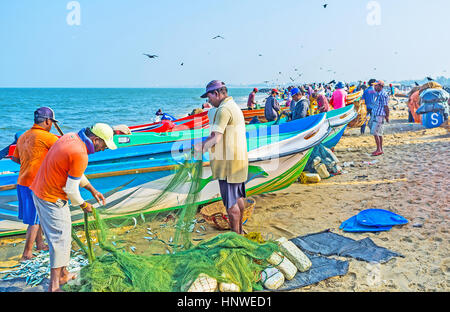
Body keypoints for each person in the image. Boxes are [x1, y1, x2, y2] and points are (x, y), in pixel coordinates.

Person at [30, 123, 116, 292]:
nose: (104, 149)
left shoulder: (70, 137)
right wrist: (84, 205)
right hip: (51, 198)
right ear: (95, 139)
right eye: (104, 145)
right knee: (60, 241)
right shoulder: (80, 153)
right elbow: (71, 190)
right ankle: (54, 286)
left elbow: (74, 171)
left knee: (63, 237)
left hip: (40, 191)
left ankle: (63, 275)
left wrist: (92, 189)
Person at [194, 80, 248, 235]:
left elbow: (215, 138)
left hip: (228, 165)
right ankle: (240, 232)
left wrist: (199, 147)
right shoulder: (234, 106)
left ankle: (235, 237)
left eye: (209, 97)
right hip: (239, 162)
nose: (208, 101)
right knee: (238, 198)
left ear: (217, 93)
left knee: (231, 205)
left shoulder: (223, 110)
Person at [11, 107, 59, 262]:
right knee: (35, 220)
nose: (51, 124)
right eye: (51, 122)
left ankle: (40, 244)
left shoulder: (23, 136)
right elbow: (63, 156)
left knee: (34, 217)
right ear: (47, 121)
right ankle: (27, 253)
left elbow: (15, 159)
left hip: (22, 182)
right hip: (36, 184)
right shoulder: (49, 138)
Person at [369, 80, 389, 156]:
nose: (374, 87)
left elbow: (386, 106)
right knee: (379, 133)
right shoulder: (378, 93)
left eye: (376, 85)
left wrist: (387, 116)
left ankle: (379, 149)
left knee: (375, 132)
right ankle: (380, 149)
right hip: (376, 114)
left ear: (380, 86)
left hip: (379, 116)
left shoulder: (383, 94)